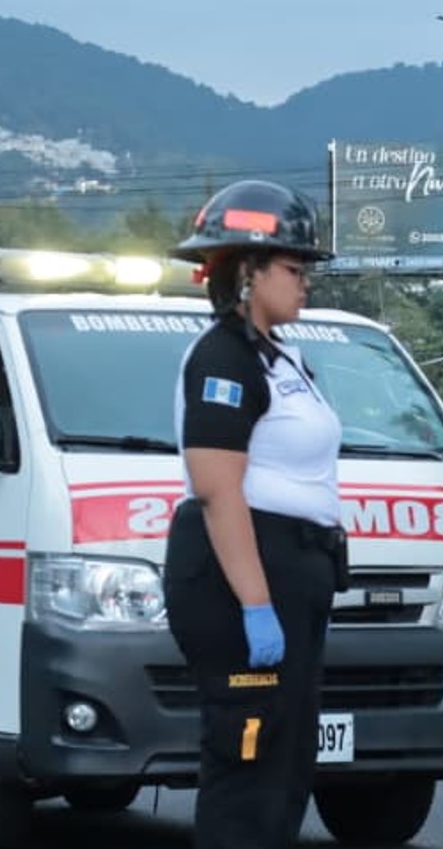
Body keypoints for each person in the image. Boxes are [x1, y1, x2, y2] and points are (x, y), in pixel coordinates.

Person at [161, 179, 348, 849]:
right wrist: (254, 602)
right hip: (241, 571)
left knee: (286, 763)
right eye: (294, 270)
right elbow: (218, 489)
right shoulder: (223, 358)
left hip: (292, 569)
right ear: (247, 273)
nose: (305, 284)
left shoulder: (279, 356)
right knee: (249, 756)